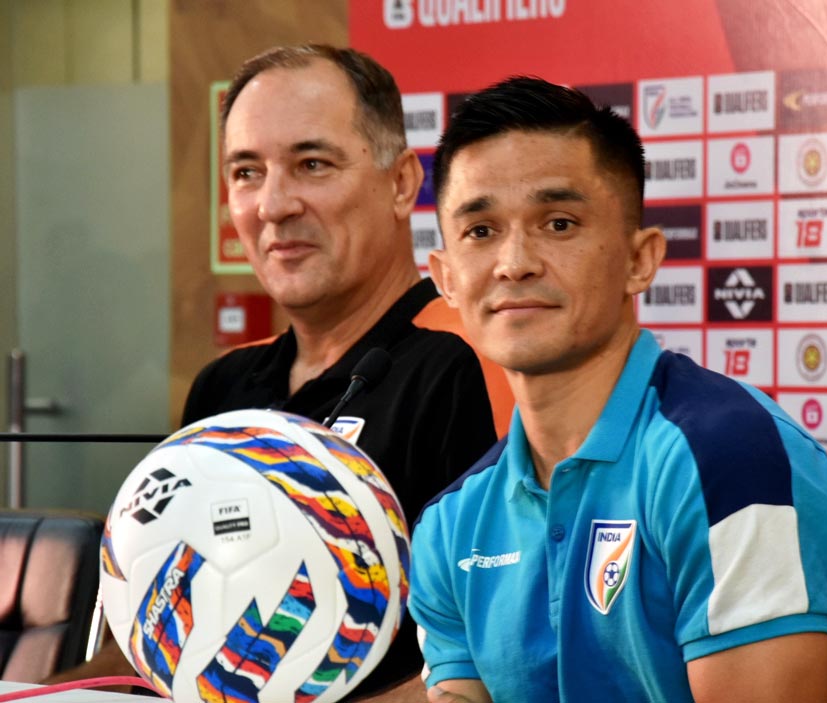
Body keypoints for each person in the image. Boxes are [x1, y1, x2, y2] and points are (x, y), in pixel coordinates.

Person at [46, 45, 512, 703]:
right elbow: (143, 651)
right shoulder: (223, 387)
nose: (273, 204)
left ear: (403, 182)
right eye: (246, 171)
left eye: (312, 164)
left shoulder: (473, 363)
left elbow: (505, 658)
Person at [408, 76, 827, 703]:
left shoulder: (729, 460)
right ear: (445, 277)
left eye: (558, 223)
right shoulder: (450, 524)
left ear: (641, 259)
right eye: (480, 231)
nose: (514, 262)